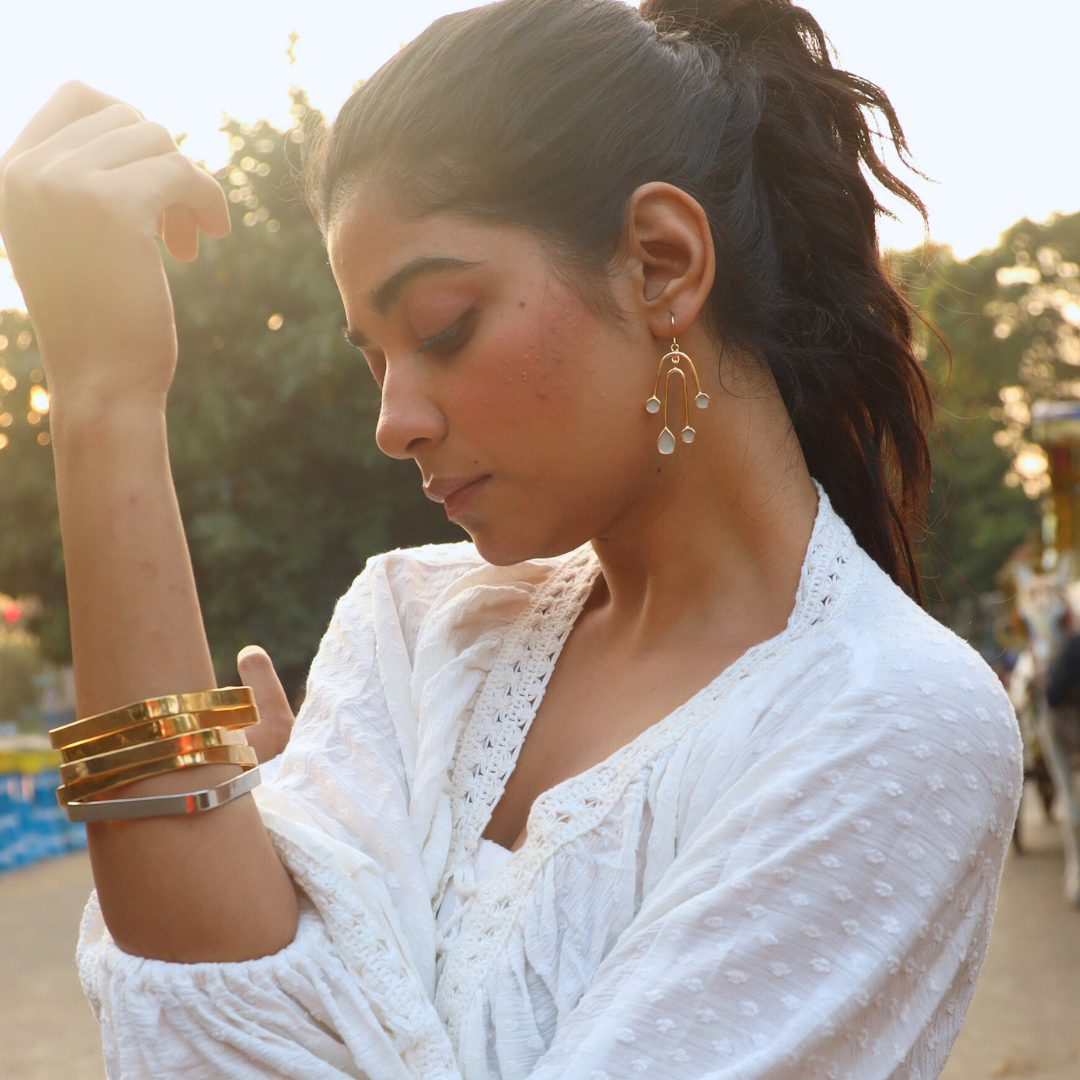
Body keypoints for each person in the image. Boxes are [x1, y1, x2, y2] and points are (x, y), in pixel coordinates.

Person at [0, 0, 1021, 1076]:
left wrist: (309, 941)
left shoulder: (891, 718)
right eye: (376, 357)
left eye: (442, 326)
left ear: (663, 265)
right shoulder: (409, 628)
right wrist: (106, 402)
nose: (394, 421)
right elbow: (203, 1007)